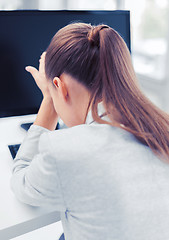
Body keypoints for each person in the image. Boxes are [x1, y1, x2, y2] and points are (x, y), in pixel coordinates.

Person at [11, 22, 169, 240]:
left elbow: (22, 182)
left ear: (60, 86)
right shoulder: (161, 126)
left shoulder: (65, 150)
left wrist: (48, 99)